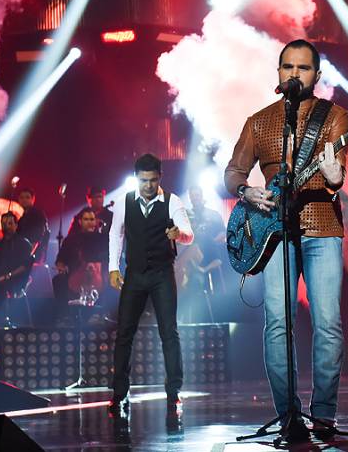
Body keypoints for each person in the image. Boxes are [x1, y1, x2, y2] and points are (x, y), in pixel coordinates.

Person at [224, 39, 348, 441]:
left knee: (327, 322)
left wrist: (333, 178)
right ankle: (288, 415)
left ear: (316, 75)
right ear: (278, 73)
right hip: (275, 229)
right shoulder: (259, 122)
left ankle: (325, 413)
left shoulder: (335, 116)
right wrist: (246, 191)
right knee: (278, 322)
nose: (295, 74)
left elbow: (338, 173)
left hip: (322, 226)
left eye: (303, 68)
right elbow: (231, 172)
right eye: (287, 67)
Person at [107, 154, 193, 427]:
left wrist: (178, 233)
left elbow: (189, 233)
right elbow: (115, 234)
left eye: (153, 180)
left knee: (169, 332)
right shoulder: (124, 202)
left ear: (160, 178)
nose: (148, 185)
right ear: (136, 179)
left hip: (161, 274)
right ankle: (119, 394)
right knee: (124, 334)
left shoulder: (172, 201)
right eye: (143, 180)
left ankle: (173, 393)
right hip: (134, 274)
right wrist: (113, 267)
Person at [181, 185, 227, 322]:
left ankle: (217, 320)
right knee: (193, 289)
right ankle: (192, 319)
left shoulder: (213, 214)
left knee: (216, 292)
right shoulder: (187, 215)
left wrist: (210, 242)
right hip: (193, 258)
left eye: (197, 195)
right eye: (192, 196)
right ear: (190, 198)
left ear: (201, 196)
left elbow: (223, 233)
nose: (195, 198)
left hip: (212, 255)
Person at [53, 207, 107, 321]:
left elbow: (109, 257)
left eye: (92, 219)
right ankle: (65, 316)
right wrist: (61, 266)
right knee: (58, 280)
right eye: (86, 219)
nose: (90, 222)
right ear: (80, 222)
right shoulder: (71, 239)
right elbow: (60, 259)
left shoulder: (102, 238)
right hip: (75, 274)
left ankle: (104, 314)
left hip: (98, 273)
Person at [16, 188, 50, 263]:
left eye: (27, 197)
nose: (24, 200)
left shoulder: (38, 214)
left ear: (33, 199)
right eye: (22, 197)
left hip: (33, 255)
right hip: (21, 253)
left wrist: (28, 255)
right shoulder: (20, 216)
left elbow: (38, 237)